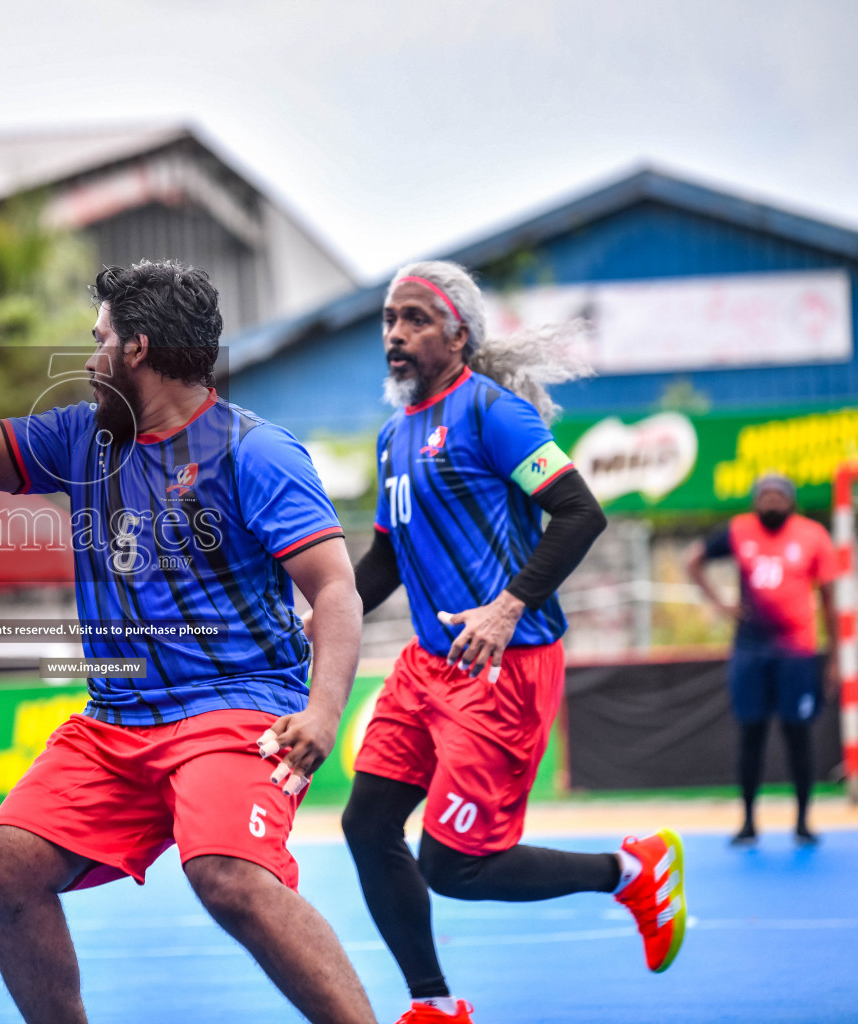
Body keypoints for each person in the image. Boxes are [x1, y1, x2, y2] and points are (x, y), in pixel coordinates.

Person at [0, 259, 376, 1023]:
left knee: (228, 873)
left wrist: (324, 712)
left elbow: (335, 589)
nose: (87, 357)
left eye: (98, 339)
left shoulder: (256, 452)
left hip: (235, 710)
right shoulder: (84, 438)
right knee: (7, 863)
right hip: (118, 721)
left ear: (135, 349)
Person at [330, 260, 688, 1024]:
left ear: (458, 335)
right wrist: (322, 626)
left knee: (454, 866)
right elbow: (388, 558)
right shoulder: (395, 434)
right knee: (365, 823)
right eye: (389, 319)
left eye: (415, 320)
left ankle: (630, 869)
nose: (395, 334)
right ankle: (434, 1005)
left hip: (505, 666)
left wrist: (506, 607)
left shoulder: (494, 414)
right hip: (426, 666)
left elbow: (580, 512)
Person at [684, 472, 840, 845]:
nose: (771, 500)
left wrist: (835, 655)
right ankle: (748, 821)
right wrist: (721, 604)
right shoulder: (739, 530)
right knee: (751, 734)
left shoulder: (812, 536)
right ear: (756, 500)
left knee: (798, 735)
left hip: (797, 653)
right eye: (764, 494)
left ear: (790, 500)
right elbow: (694, 561)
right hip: (750, 651)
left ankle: (803, 821)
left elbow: (830, 598)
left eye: (778, 495)